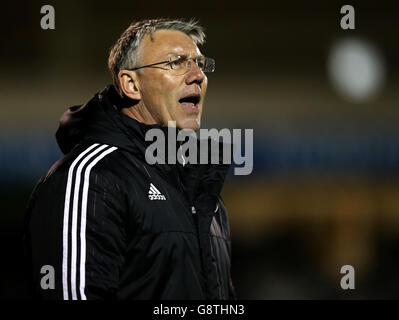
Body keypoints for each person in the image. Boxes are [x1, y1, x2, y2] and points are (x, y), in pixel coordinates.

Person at [23, 18, 236, 300]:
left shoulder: (200, 187)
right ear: (131, 85)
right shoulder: (92, 176)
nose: (197, 74)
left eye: (200, 63)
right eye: (177, 62)